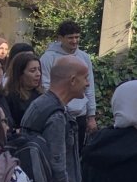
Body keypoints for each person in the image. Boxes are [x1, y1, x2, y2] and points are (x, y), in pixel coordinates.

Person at [40, 20, 97, 151]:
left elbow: (89, 86)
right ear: (60, 38)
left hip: (80, 116)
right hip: (59, 115)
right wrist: (59, 107)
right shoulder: (48, 58)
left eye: (77, 37)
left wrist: (91, 116)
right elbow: (46, 86)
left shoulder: (84, 57)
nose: (74, 41)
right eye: (70, 37)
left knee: (77, 153)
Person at [5, 51, 44, 130]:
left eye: (39, 69)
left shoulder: (41, 95)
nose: (38, 74)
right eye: (33, 70)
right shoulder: (9, 97)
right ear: (20, 74)